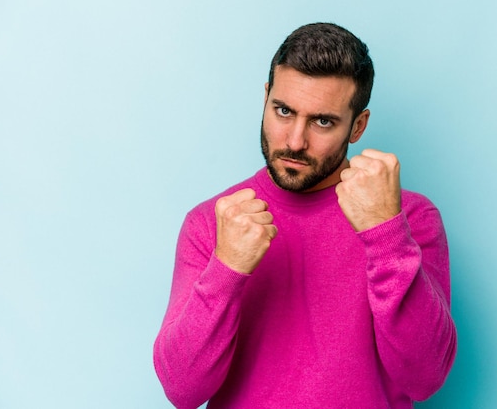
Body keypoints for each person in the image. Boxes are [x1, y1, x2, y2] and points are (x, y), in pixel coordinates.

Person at [153, 22, 456, 409]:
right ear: (265, 99)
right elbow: (182, 390)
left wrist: (386, 235)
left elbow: (425, 379)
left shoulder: (409, 218)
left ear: (358, 126)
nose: (295, 141)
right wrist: (227, 269)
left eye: (322, 121)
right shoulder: (214, 222)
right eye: (283, 111)